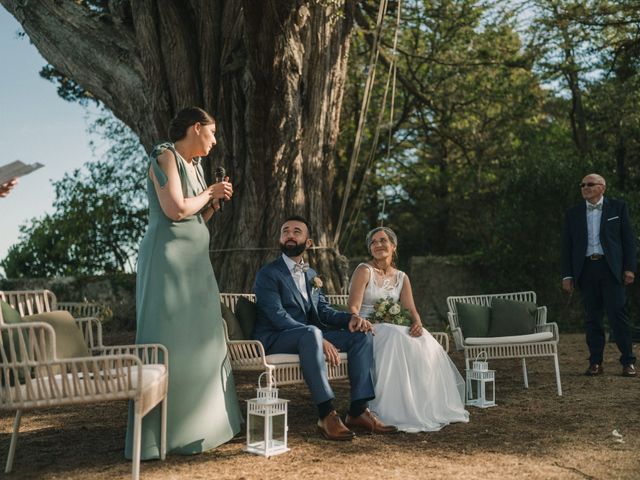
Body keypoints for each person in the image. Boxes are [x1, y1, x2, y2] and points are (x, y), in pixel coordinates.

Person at [125, 107, 242, 459]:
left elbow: (194, 220)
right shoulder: (165, 155)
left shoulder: (197, 166)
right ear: (196, 127)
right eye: (213, 132)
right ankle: (159, 437)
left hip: (195, 266)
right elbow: (175, 210)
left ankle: (207, 429)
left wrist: (211, 206)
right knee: (169, 341)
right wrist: (209, 193)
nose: (215, 140)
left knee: (201, 343)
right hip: (167, 265)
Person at [253, 215, 398, 441]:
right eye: (285, 231)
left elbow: (324, 311)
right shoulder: (268, 273)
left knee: (361, 335)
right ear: (281, 238)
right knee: (312, 332)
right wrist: (318, 337)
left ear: (308, 243)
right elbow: (277, 316)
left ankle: (358, 411)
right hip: (275, 337)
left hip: (308, 336)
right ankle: (326, 415)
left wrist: (351, 318)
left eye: (297, 231)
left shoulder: (311, 274)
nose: (290, 235)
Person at [348, 227, 469, 432]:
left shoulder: (402, 277)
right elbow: (353, 306)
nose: (378, 245)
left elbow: (410, 309)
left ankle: (422, 406)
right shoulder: (363, 270)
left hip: (392, 328)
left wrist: (417, 324)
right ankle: (388, 410)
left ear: (393, 246)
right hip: (368, 328)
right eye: (373, 242)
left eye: (383, 240)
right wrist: (357, 318)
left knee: (425, 341)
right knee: (396, 336)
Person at [561, 173, 637, 377]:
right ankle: (595, 362)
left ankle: (628, 361)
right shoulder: (573, 213)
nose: (585, 187)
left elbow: (628, 240)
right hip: (586, 270)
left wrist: (629, 268)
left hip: (611, 269)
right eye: (582, 184)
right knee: (592, 317)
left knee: (617, 315)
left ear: (602, 187)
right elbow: (567, 247)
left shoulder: (618, 208)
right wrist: (567, 275)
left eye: (590, 184)